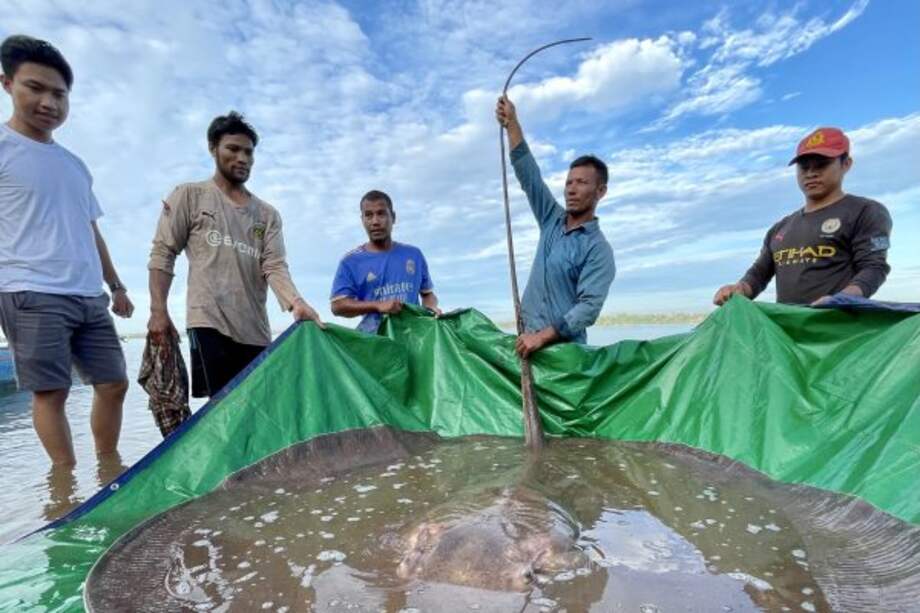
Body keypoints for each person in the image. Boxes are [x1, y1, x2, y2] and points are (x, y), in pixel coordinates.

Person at [0, 35, 132, 466]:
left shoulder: (75, 165)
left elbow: (91, 229)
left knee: (113, 383)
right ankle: (65, 479)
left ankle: (108, 466)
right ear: (7, 85)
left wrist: (116, 286)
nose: (48, 102)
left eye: (58, 93)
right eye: (34, 88)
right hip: (29, 289)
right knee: (51, 392)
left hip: (87, 293)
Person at [147, 111, 323, 399]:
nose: (242, 158)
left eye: (249, 152)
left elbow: (274, 265)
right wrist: (158, 311)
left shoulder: (267, 215)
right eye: (233, 149)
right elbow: (163, 252)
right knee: (222, 408)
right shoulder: (189, 196)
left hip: (254, 329)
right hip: (208, 321)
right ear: (213, 148)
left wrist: (296, 303)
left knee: (258, 407)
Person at [713, 127, 892, 307]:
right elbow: (757, 276)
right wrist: (738, 289)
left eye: (822, 164)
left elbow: (874, 267)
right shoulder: (779, 228)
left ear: (846, 164)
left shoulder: (866, 211)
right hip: (786, 331)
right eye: (804, 167)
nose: (811, 173)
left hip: (840, 328)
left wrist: (843, 298)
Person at [495, 96, 616, 357]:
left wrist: (542, 337)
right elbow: (530, 176)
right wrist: (512, 124)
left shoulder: (598, 249)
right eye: (569, 182)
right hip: (526, 344)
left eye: (582, 183)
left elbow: (588, 309)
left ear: (601, 191)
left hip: (564, 355)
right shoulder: (551, 219)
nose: (571, 189)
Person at [330, 190, 440, 333]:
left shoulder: (414, 255)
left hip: (415, 337)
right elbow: (338, 306)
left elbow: (428, 294)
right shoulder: (350, 261)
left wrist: (431, 308)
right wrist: (377, 305)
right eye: (368, 215)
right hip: (375, 343)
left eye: (381, 213)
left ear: (393, 217)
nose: (375, 221)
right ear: (362, 219)